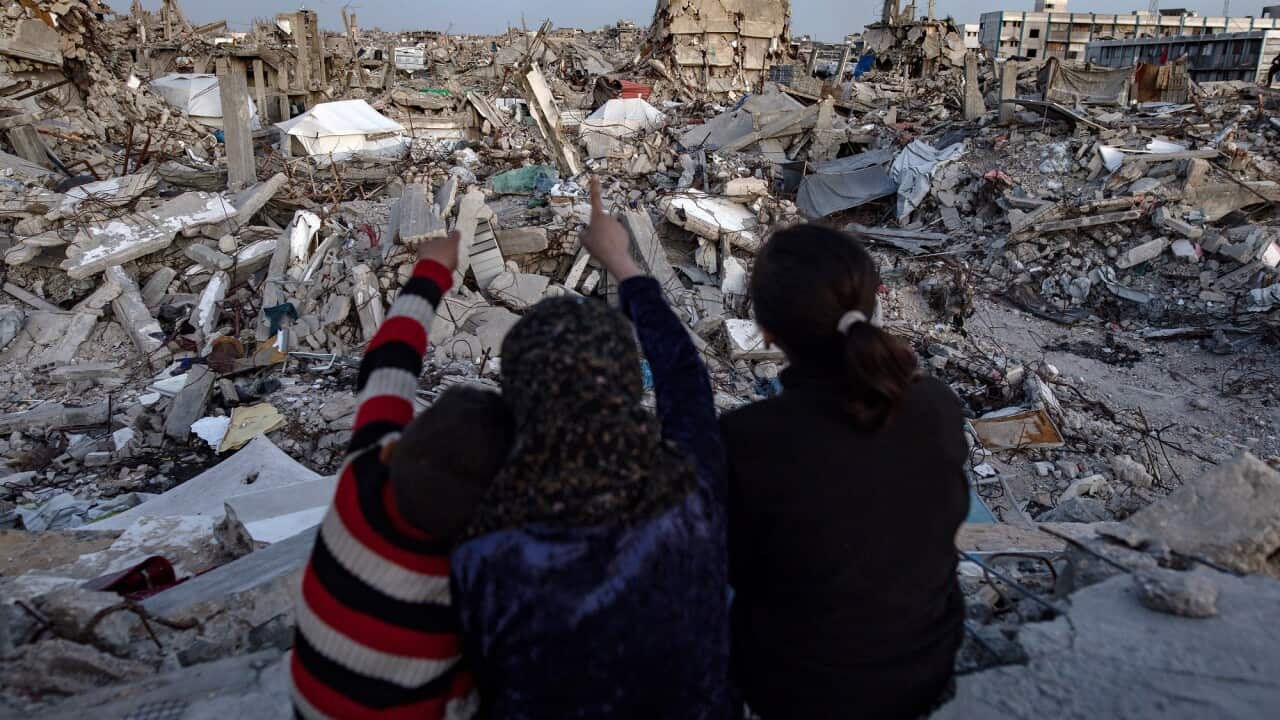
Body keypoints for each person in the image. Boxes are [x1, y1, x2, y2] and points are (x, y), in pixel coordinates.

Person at [448, 178, 732, 718]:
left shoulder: (483, 550)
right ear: (626, 383)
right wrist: (621, 263)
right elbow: (683, 376)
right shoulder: (691, 490)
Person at [721, 225, 969, 719]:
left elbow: (729, 566)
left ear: (765, 330)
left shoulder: (747, 438)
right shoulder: (937, 407)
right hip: (926, 666)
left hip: (798, 687)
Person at [290, 231, 513, 719]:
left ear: (396, 451)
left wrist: (431, 270)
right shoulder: (459, 582)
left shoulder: (361, 473)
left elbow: (388, 360)